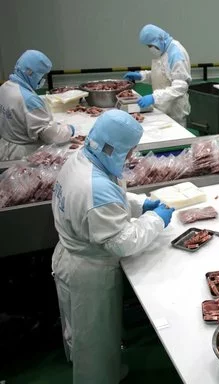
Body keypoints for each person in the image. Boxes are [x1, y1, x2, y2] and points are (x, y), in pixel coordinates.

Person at [51, 110, 174, 384]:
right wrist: (156, 219)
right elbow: (122, 241)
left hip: (72, 257)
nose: (131, 157)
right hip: (90, 272)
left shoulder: (84, 159)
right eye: (128, 151)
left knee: (81, 332)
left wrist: (140, 204)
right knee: (94, 340)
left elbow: (105, 199)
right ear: (112, 147)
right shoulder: (94, 187)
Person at [0, 50, 74, 160]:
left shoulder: (5, 87)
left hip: (5, 146)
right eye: (41, 75)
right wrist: (69, 130)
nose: (42, 80)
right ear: (30, 73)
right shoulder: (29, 99)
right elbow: (49, 135)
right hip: (22, 154)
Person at [124, 24, 191, 127]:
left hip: (174, 111)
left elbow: (180, 87)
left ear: (158, 40)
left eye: (150, 45)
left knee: (175, 138)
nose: (150, 48)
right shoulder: (165, 51)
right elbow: (163, 76)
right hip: (163, 106)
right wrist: (142, 76)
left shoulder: (176, 53)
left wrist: (154, 97)